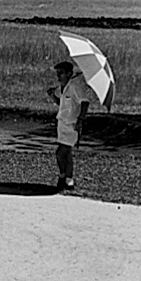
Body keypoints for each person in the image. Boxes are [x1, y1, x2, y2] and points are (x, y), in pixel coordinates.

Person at [47, 60, 94, 192]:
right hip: (62, 124)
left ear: (69, 73)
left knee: (60, 153)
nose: (58, 76)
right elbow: (63, 106)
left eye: (61, 73)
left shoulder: (75, 87)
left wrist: (80, 119)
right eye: (58, 73)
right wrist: (53, 97)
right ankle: (68, 181)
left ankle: (63, 176)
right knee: (66, 154)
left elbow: (85, 102)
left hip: (72, 125)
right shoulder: (63, 87)